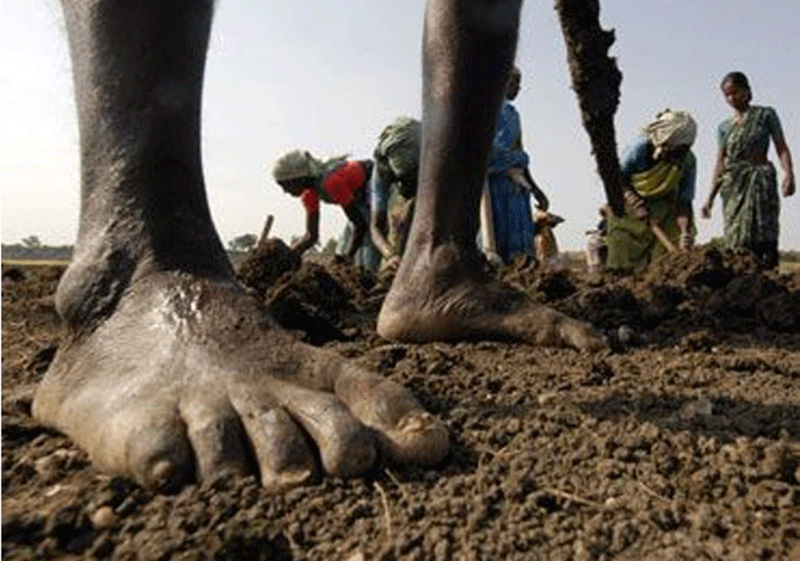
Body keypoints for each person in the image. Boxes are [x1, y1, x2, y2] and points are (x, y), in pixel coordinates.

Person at [33, 0, 607, 493]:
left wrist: (388, 245)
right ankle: (140, 261)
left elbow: (365, 212)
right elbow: (336, 226)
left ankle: (440, 261)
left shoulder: (340, 180)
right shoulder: (320, 191)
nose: (287, 192)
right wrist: (335, 248)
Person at [701, 71, 795, 269]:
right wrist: (709, 198)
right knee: (736, 238)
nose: (731, 98)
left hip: (761, 181)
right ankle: (740, 278)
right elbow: (720, 163)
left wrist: (789, 173)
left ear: (747, 91)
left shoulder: (766, 115)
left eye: (735, 92)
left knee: (764, 232)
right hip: (733, 188)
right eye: (726, 95)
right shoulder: (724, 128)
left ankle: (767, 277)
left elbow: (781, 147)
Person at [605, 109, 698, 272]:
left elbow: (684, 201)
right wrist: (635, 203)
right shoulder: (638, 149)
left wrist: (684, 233)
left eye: (682, 152)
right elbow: (618, 179)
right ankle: (620, 278)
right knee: (621, 241)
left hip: (667, 206)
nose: (678, 158)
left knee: (666, 257)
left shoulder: (688, 161)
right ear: (663, 142)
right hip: (630, 205)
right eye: (675, 152)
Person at [481, 66, 550, 265]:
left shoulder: (506, 113)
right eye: (515, 83)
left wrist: (535, 188)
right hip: (500, 187)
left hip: (513, 186)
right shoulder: (498, 111)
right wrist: (518, 158)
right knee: (503, 242)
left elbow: (515, 149)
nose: (519, 88)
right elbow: (492, 151)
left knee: (508, 242)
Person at [272, 150, 381, 270]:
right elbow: (311, 236)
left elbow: (360, 225)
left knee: (368, 241)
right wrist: (288, 256)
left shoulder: (330, 182)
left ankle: (372, 273)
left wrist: (348, 258)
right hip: (357, 196)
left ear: (297, 178)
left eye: (286, 185)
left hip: (372, 181)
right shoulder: (308, 195)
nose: (285, 191)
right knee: (342, 249)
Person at [369, 116, 421, 272]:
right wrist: (390, 254)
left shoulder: (438, 156)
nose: (407, 184)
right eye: (403, 178)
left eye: (413, 175)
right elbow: (376, 227)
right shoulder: (381, 173)